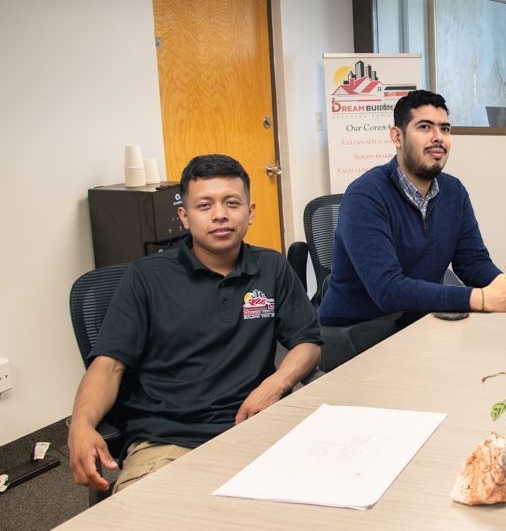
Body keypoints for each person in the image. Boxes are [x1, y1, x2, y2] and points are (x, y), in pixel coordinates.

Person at [67, 154, 322, 493]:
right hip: (168, 442)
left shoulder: (271, 267)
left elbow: (307, 343)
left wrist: (275, 385)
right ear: (185, 217)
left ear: (250, 212)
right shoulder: (146, 278)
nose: (220, 214)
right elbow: (108, 366)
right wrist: (81, 425)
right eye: (204, 205)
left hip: (254, 427)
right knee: (146, 522)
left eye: (232, 203)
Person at [319, 90, 506, 329]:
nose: (438, 137)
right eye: (424, 127)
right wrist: (482, 298)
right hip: (357, 331)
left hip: (418, 323)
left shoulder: (453, 191)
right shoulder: (365, 196)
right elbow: (388, 290)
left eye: (445, 129)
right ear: (397, 137)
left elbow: (472, 263)